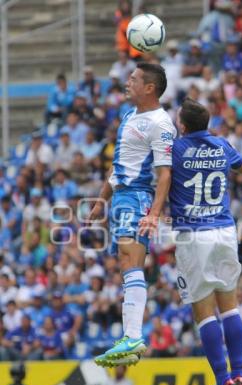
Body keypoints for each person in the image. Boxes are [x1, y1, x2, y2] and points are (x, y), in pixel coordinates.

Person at [89, 63, 176, 367]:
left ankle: (134, 337)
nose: (128, 82)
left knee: (130, 259)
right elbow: (118, 165)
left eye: (134, 78)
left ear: (150, 87)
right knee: (126, 264)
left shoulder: (160, 123)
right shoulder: (129, 115)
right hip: (121, 196)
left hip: (138, 196)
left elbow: (165, 174)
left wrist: (154, 213)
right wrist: (101, 200)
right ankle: (131, 337)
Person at [168, 98, 242, 385]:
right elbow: (240, 165)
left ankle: (223, 380)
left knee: (204, 311)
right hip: (225, 231)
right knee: (230, 305)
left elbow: (159, 173)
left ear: (183, 126)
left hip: (193, 235)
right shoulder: (221, 143)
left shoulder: (175, 149)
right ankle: (240, 373)